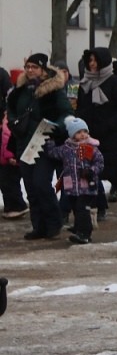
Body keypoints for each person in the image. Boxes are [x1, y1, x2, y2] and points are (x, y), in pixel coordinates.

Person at [6, 54, 73, 240]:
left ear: (43, 69)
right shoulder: (19, 90)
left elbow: (67, 113)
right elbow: (10, 110)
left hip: (45, 143)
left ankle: (54, 222)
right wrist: (13, 123)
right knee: (31, 187)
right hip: (23, 144)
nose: (30, 70)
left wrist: (55, 126)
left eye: (34, 67)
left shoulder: (53, 90)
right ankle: (39, 226)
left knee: (41, 183)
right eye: (27, 67)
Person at [76, 47, 117, 217]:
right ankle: (90, 215)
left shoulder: (114, 82)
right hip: (88, 136)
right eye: (90, 61)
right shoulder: (85, 83)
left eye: (95, 61)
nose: (92, 64)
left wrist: (108, 125)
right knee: (88, 174)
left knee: (112, 173)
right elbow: (81, 108)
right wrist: (78, 128)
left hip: (110, 137)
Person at [48, 116, 103, 244]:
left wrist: (91, 171)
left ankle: (85, 233)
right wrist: (49, 142)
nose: (83, 135)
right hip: (71, 186)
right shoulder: (66, 148)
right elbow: (53, 153)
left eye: (85, 131)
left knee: (82, 208)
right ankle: (79, 228)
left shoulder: (90, 148)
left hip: (86, 186)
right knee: (76, 208)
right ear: (72, 135)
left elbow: (99, 163)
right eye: (79, 132)